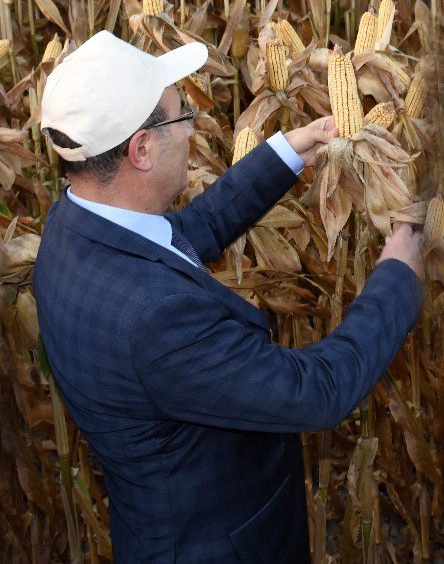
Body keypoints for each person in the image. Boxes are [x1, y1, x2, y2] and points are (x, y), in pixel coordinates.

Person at [34, 31, 423, 564]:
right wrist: (400, 270)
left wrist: (289, 152)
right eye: (180, 115)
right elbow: (318, 392)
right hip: (220, 547)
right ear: (140, 150)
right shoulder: (156, 321)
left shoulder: (74, 224)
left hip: (157, 524)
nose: (193, 125)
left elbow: (183, 235)